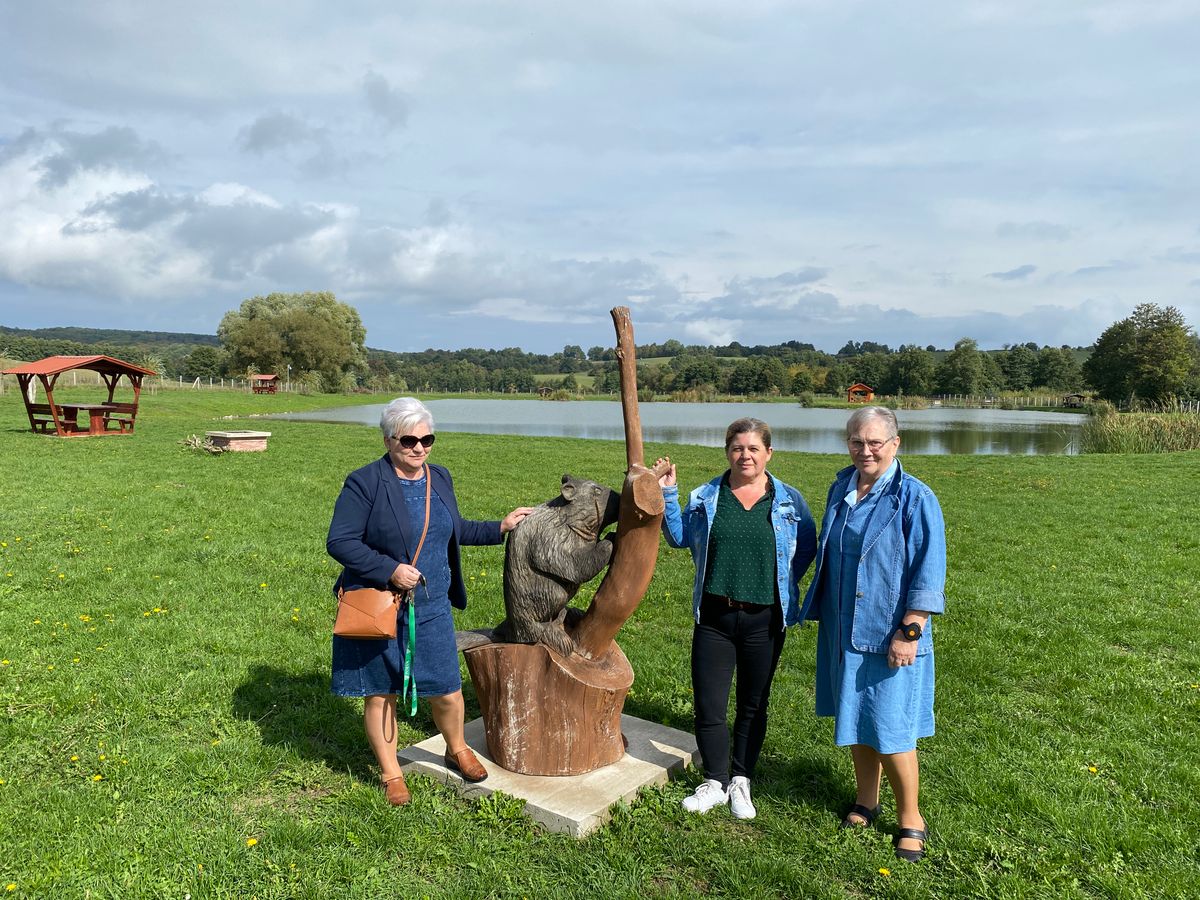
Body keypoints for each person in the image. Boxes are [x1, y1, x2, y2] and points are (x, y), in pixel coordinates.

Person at [327, 397, 532, 805]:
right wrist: (390, 569)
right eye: (409, 440)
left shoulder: (440, 477)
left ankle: (456, 749)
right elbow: (340, 540)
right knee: (381, 691)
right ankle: (390, 774)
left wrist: (500, 527)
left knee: (447, 688)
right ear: (388, 440)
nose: (419, 447)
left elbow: (451, 530)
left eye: (427, 439)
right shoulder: (365, 483)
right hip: (381, 604)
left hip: (432, 603)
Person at [804, 406, 946, 862]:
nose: (865, 450)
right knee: (859, 720)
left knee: (891, 727)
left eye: (875, 442)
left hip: (889, 632)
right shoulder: (841, 486)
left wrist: (911, 631)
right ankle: (866, 799)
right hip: (844, 627)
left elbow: (929, 571)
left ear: (895, 444)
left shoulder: (915, 497)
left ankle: (911, 818)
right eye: (856, 442)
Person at [657, 417, 816, 820]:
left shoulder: (789, 501)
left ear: (768, 453)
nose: (745, 455)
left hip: (764, 619)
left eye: (753, 449)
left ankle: (741, 780)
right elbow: (677, 537)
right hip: (714, 616)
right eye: (737, 448)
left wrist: (781, 579)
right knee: (709, 705)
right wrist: (669, 493)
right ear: (728, 451)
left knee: (753, 703)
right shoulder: (708, 496)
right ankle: (714, 780)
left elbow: (807, 547)